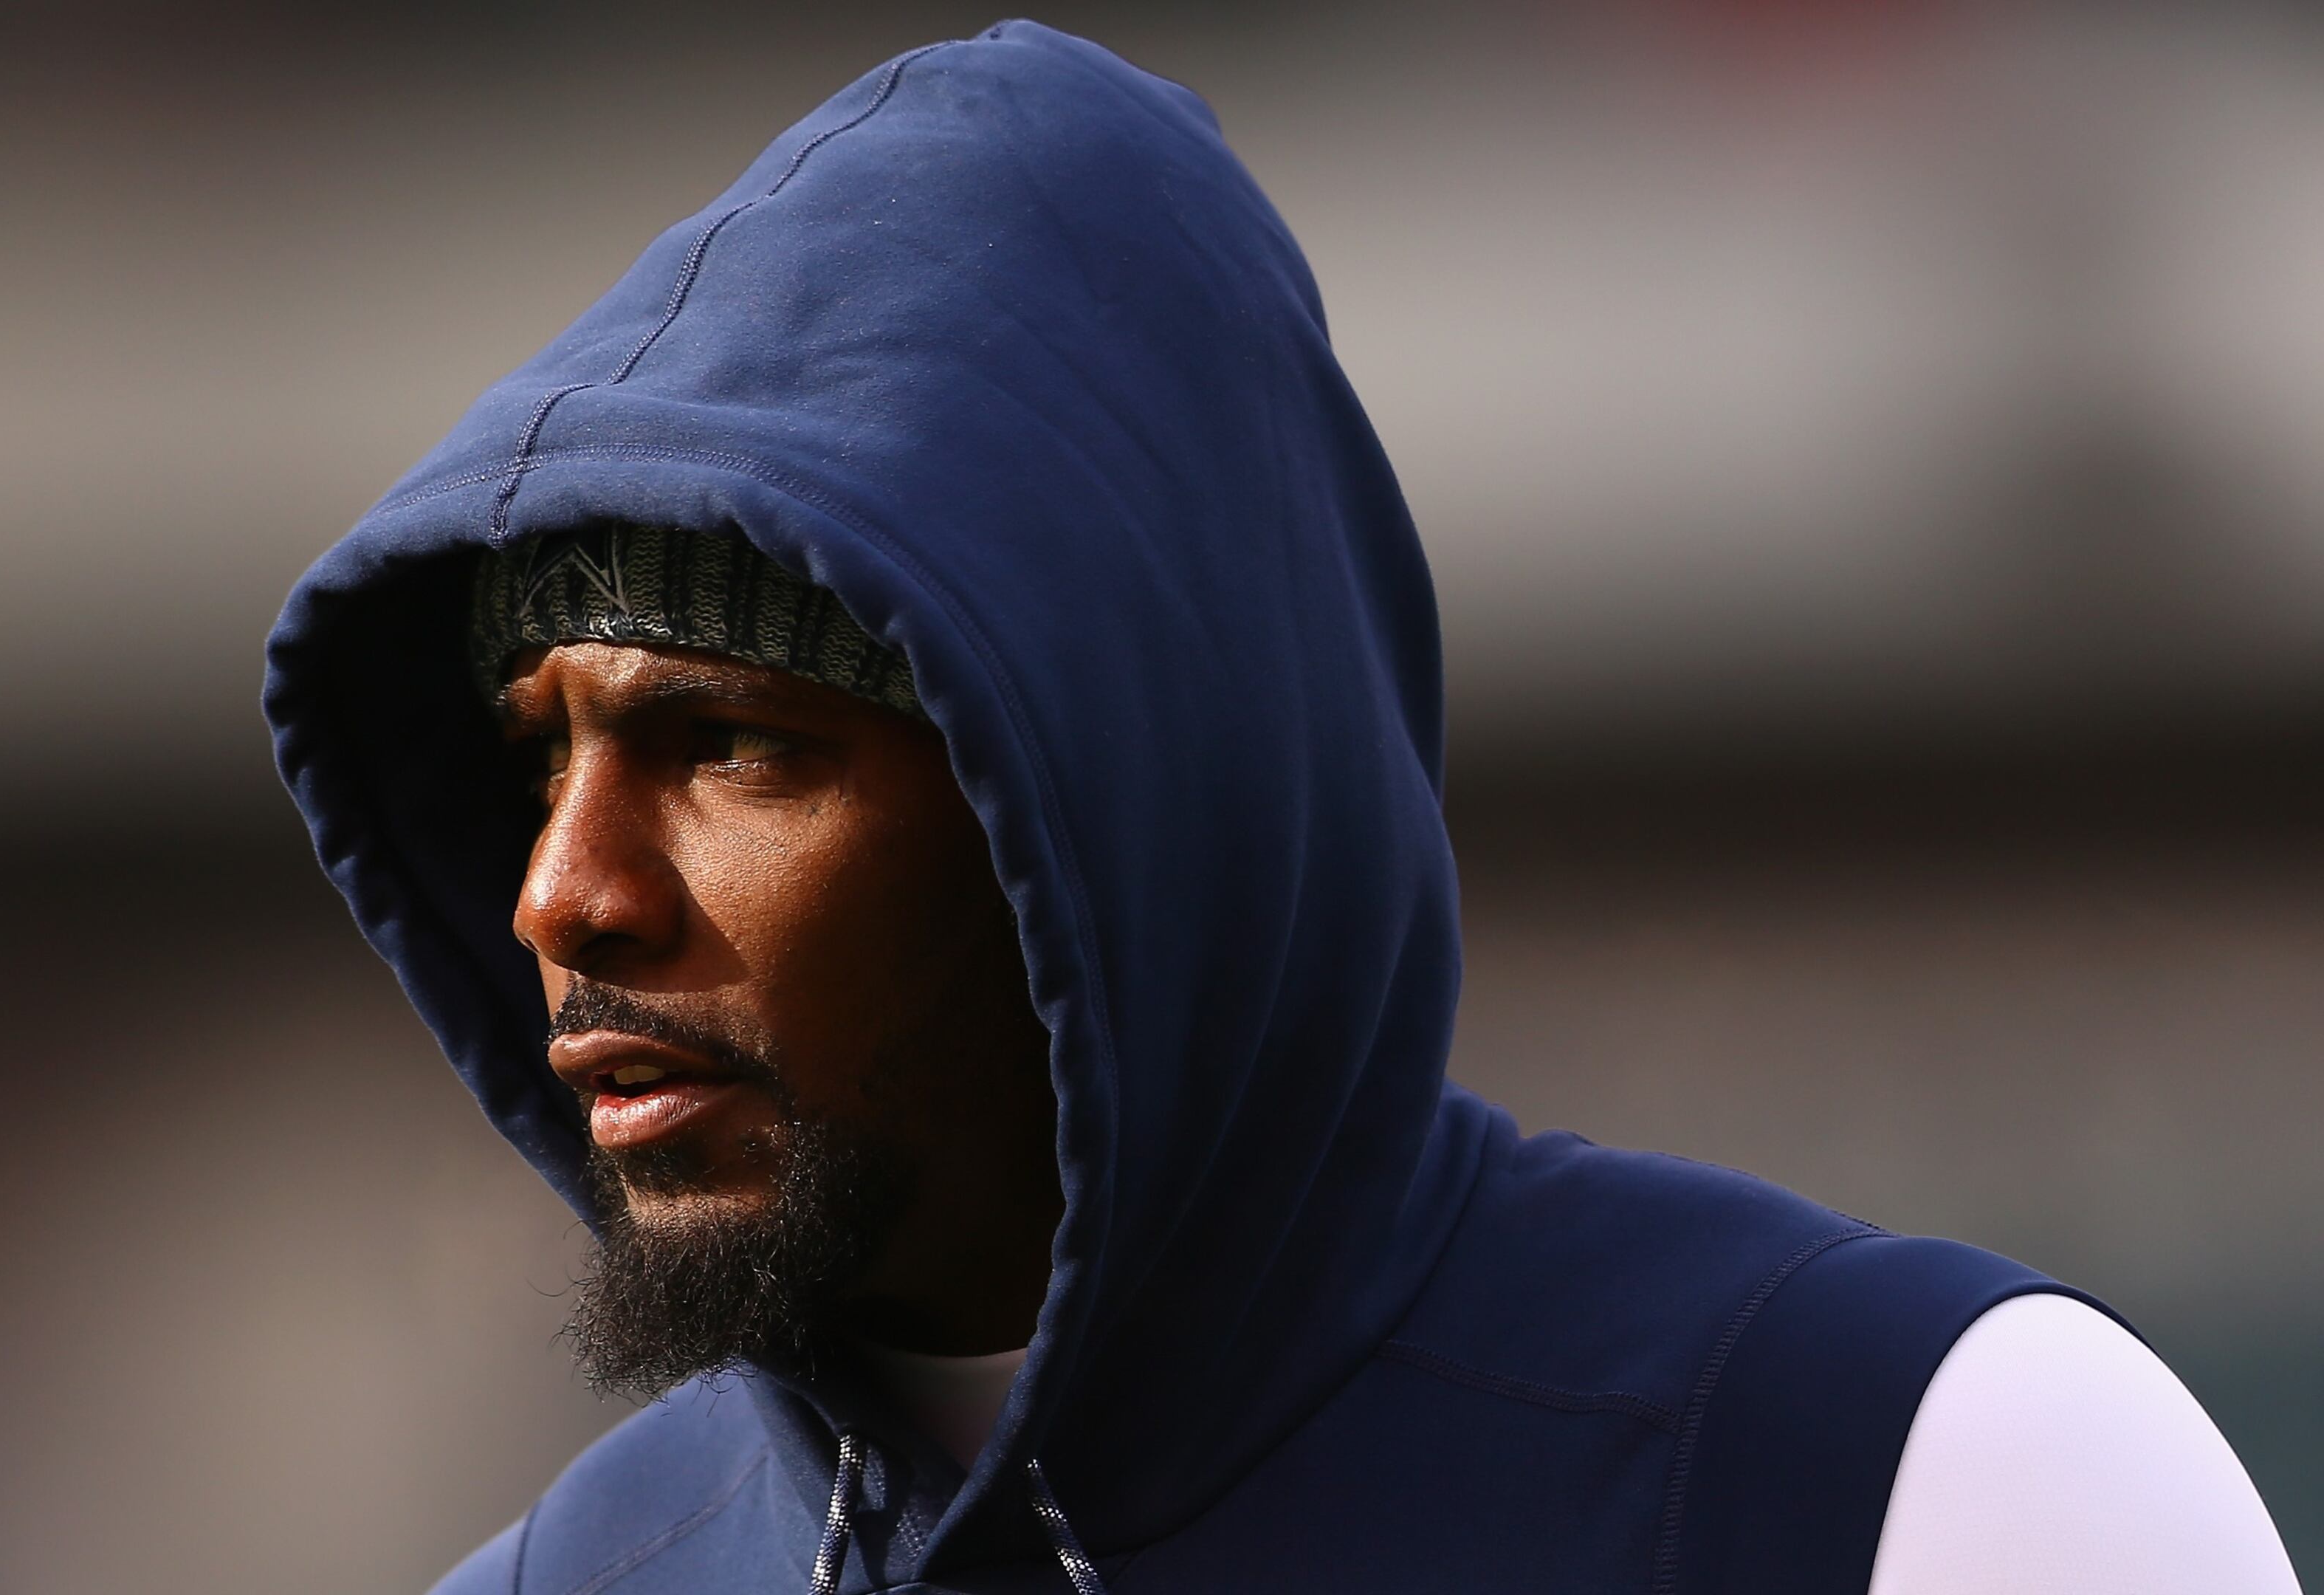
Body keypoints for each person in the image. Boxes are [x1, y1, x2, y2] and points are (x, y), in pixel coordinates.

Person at [264, 22, 2301, 1594]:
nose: (565, 893)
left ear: (1084, 795)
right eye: (545, 755)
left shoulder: (1897, 1470)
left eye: (728, 746)